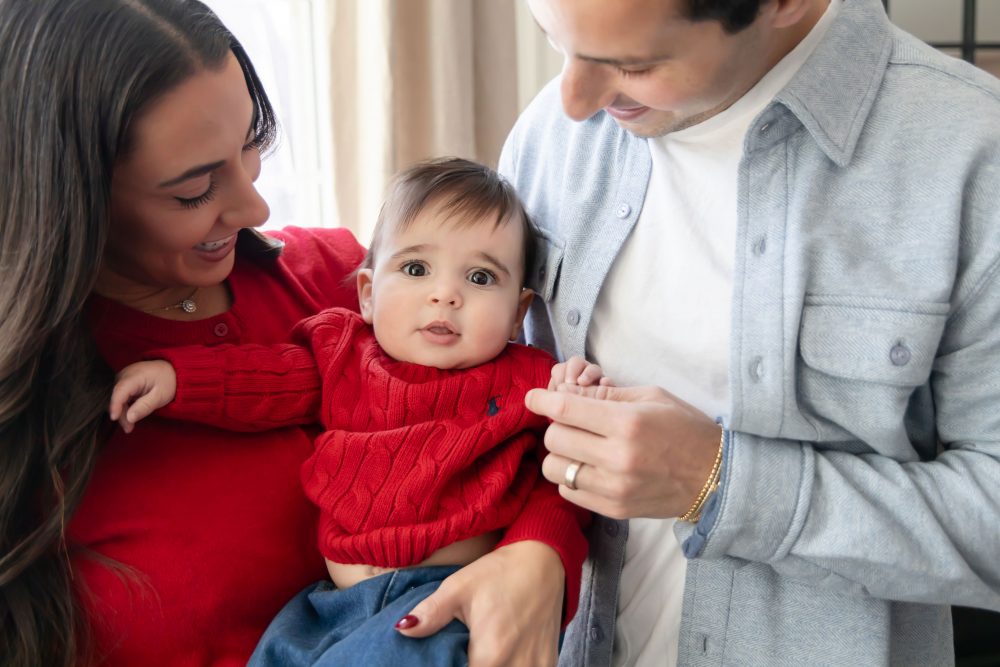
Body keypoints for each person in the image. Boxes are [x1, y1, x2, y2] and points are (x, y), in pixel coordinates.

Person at [0, 2, 575, 665]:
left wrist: (540, 551)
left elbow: (536, 438)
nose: (255, 207)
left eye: (252, 143)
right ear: (71, 199)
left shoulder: (346, 285)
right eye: (193, 190)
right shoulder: (37, 410)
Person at [499, 0, 1000, 665]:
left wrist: (718, 480)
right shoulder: (548, 142)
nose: (572, 100)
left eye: (634, 65)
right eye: (554, 43)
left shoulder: (972, 154)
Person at [107, 158, 592, 666]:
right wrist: (179, 378)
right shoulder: (342, 353)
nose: (445, 294)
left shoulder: (527, 378)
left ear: (518, 313)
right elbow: (264, 381)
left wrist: (582, 392)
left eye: (479, 276)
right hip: (326, 607)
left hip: (442, 598)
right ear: (367, 294)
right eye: (415, 268)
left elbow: (572, 453)